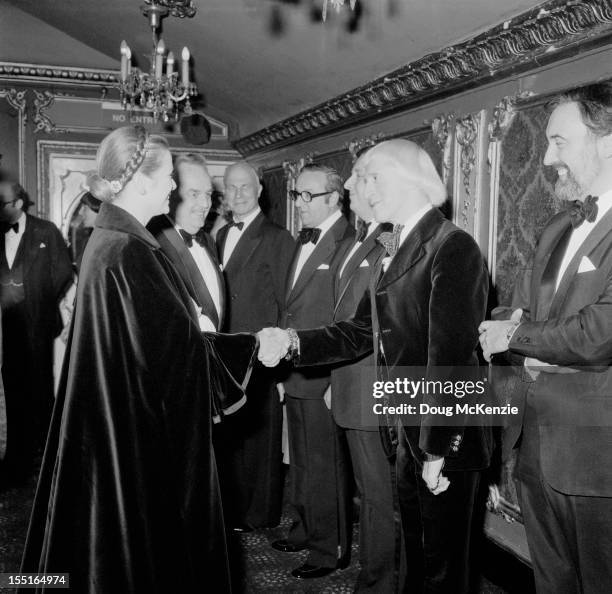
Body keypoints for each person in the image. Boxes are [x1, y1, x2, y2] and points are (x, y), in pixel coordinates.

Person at [21, 125, 257, 593]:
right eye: (169, 176)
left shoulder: (111, 240)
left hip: (117, 430)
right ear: (142, 181)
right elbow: (177, 360)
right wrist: (252, 347)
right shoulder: (129, 252)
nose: (173, 187)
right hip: (136, 442)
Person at [260, 140, 492, 593]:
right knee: (419, 562)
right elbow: (360, 331)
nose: (355, 185)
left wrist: (437, 449)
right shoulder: (399, 241)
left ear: (401, 181)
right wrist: (291, 341)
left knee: (443, 570)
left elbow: (453, 359)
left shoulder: (452, 246)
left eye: (366, 176)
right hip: (410, 429)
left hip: (444, 436)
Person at [478, 83, 612, 594]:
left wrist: (518, 333)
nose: (548, 157)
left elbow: (600, 333)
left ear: (605, 141)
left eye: (559, 142)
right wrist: (510, 323)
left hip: (596, 452)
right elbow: (516, 308)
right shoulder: (557, 225)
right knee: (552, 582)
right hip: (535, 443)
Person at [273, 163, 354, 580]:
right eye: (297, 195)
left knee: (326, 467)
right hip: (297, 369)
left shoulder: (349, 242)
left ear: (333, 198)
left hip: (324, 373)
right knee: (302, 461)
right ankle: (305, 528)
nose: (300, 204)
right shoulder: (299, 241)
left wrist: (337, 378)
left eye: (308, 196)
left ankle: (329, 549)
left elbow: (348, 319)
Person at [328, 149, 401, 592]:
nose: (349, 187)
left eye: (357, 178)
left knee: (379, 498)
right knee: (369, 494)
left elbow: (382, 324)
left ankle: (380, 583)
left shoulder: (391, 240)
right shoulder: (358, 239)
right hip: (352, 384)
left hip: (375, 389)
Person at [214, 161, 294, 531]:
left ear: (260, 190)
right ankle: (235, 511)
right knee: (233, 437)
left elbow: (286, 304)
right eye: (232, 188)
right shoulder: (218, 235)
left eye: (246, 187)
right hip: (227, 355)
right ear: (224, 194)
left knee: (261, 443)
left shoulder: (278, 238)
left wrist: (282, 369)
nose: (239, 194)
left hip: (263, 356)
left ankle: (260, 515)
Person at [0, 180, 72, 485]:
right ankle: (16, 464)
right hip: (6, 330)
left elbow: (64, 271)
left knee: (41, 394)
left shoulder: (46, 231)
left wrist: (37, 299)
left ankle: (47, 467)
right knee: (13, 395)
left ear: (18, 204)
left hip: (38, 327)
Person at [148, 153, 225, 334]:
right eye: (194, 194)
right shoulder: (153, 245)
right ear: (172, 194)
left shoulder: (208, 241)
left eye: (208, 194)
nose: (205, 203)